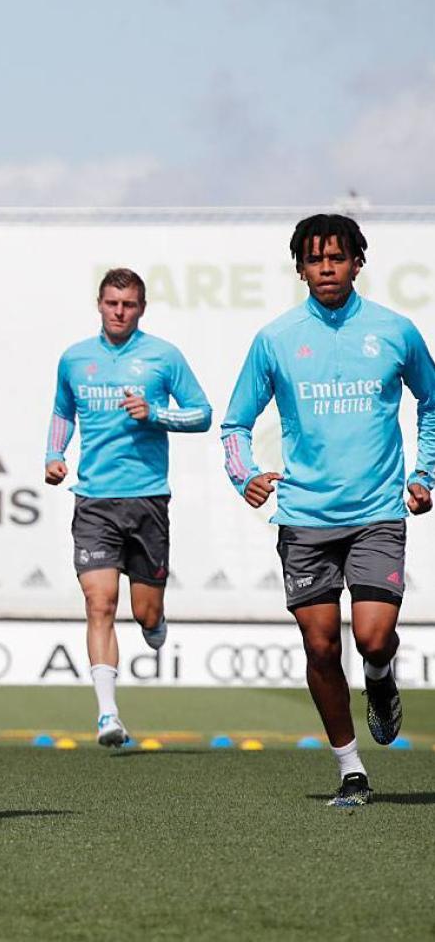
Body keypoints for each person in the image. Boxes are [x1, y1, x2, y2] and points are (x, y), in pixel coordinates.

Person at [220, 214, 435, 808]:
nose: (326, 269)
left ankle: (381, 679)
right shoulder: (276, 339)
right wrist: (245, 475)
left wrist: (424, 475)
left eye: (336, 258)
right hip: (305, 518)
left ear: (357, 263)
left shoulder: (395, 331)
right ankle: (351, 769)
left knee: (372, 639)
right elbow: (235, 422)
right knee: (320, 647)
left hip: (376, 512)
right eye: (314, 260)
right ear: (300, 269)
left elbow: (432, 403)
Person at [44, 268, 211, 747]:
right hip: (94, 500)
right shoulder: (75, 359)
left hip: (148, 500)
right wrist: (55, 456)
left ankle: (155, 622)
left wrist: (154, 414)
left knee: (143, 611)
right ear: (99, 303)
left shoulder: (163, 357)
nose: (120, 312)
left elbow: (201, 414)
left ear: (141, 308)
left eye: (130, 304)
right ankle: (107, 715)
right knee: (100, 603)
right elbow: (62, 412)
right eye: (113, 303)